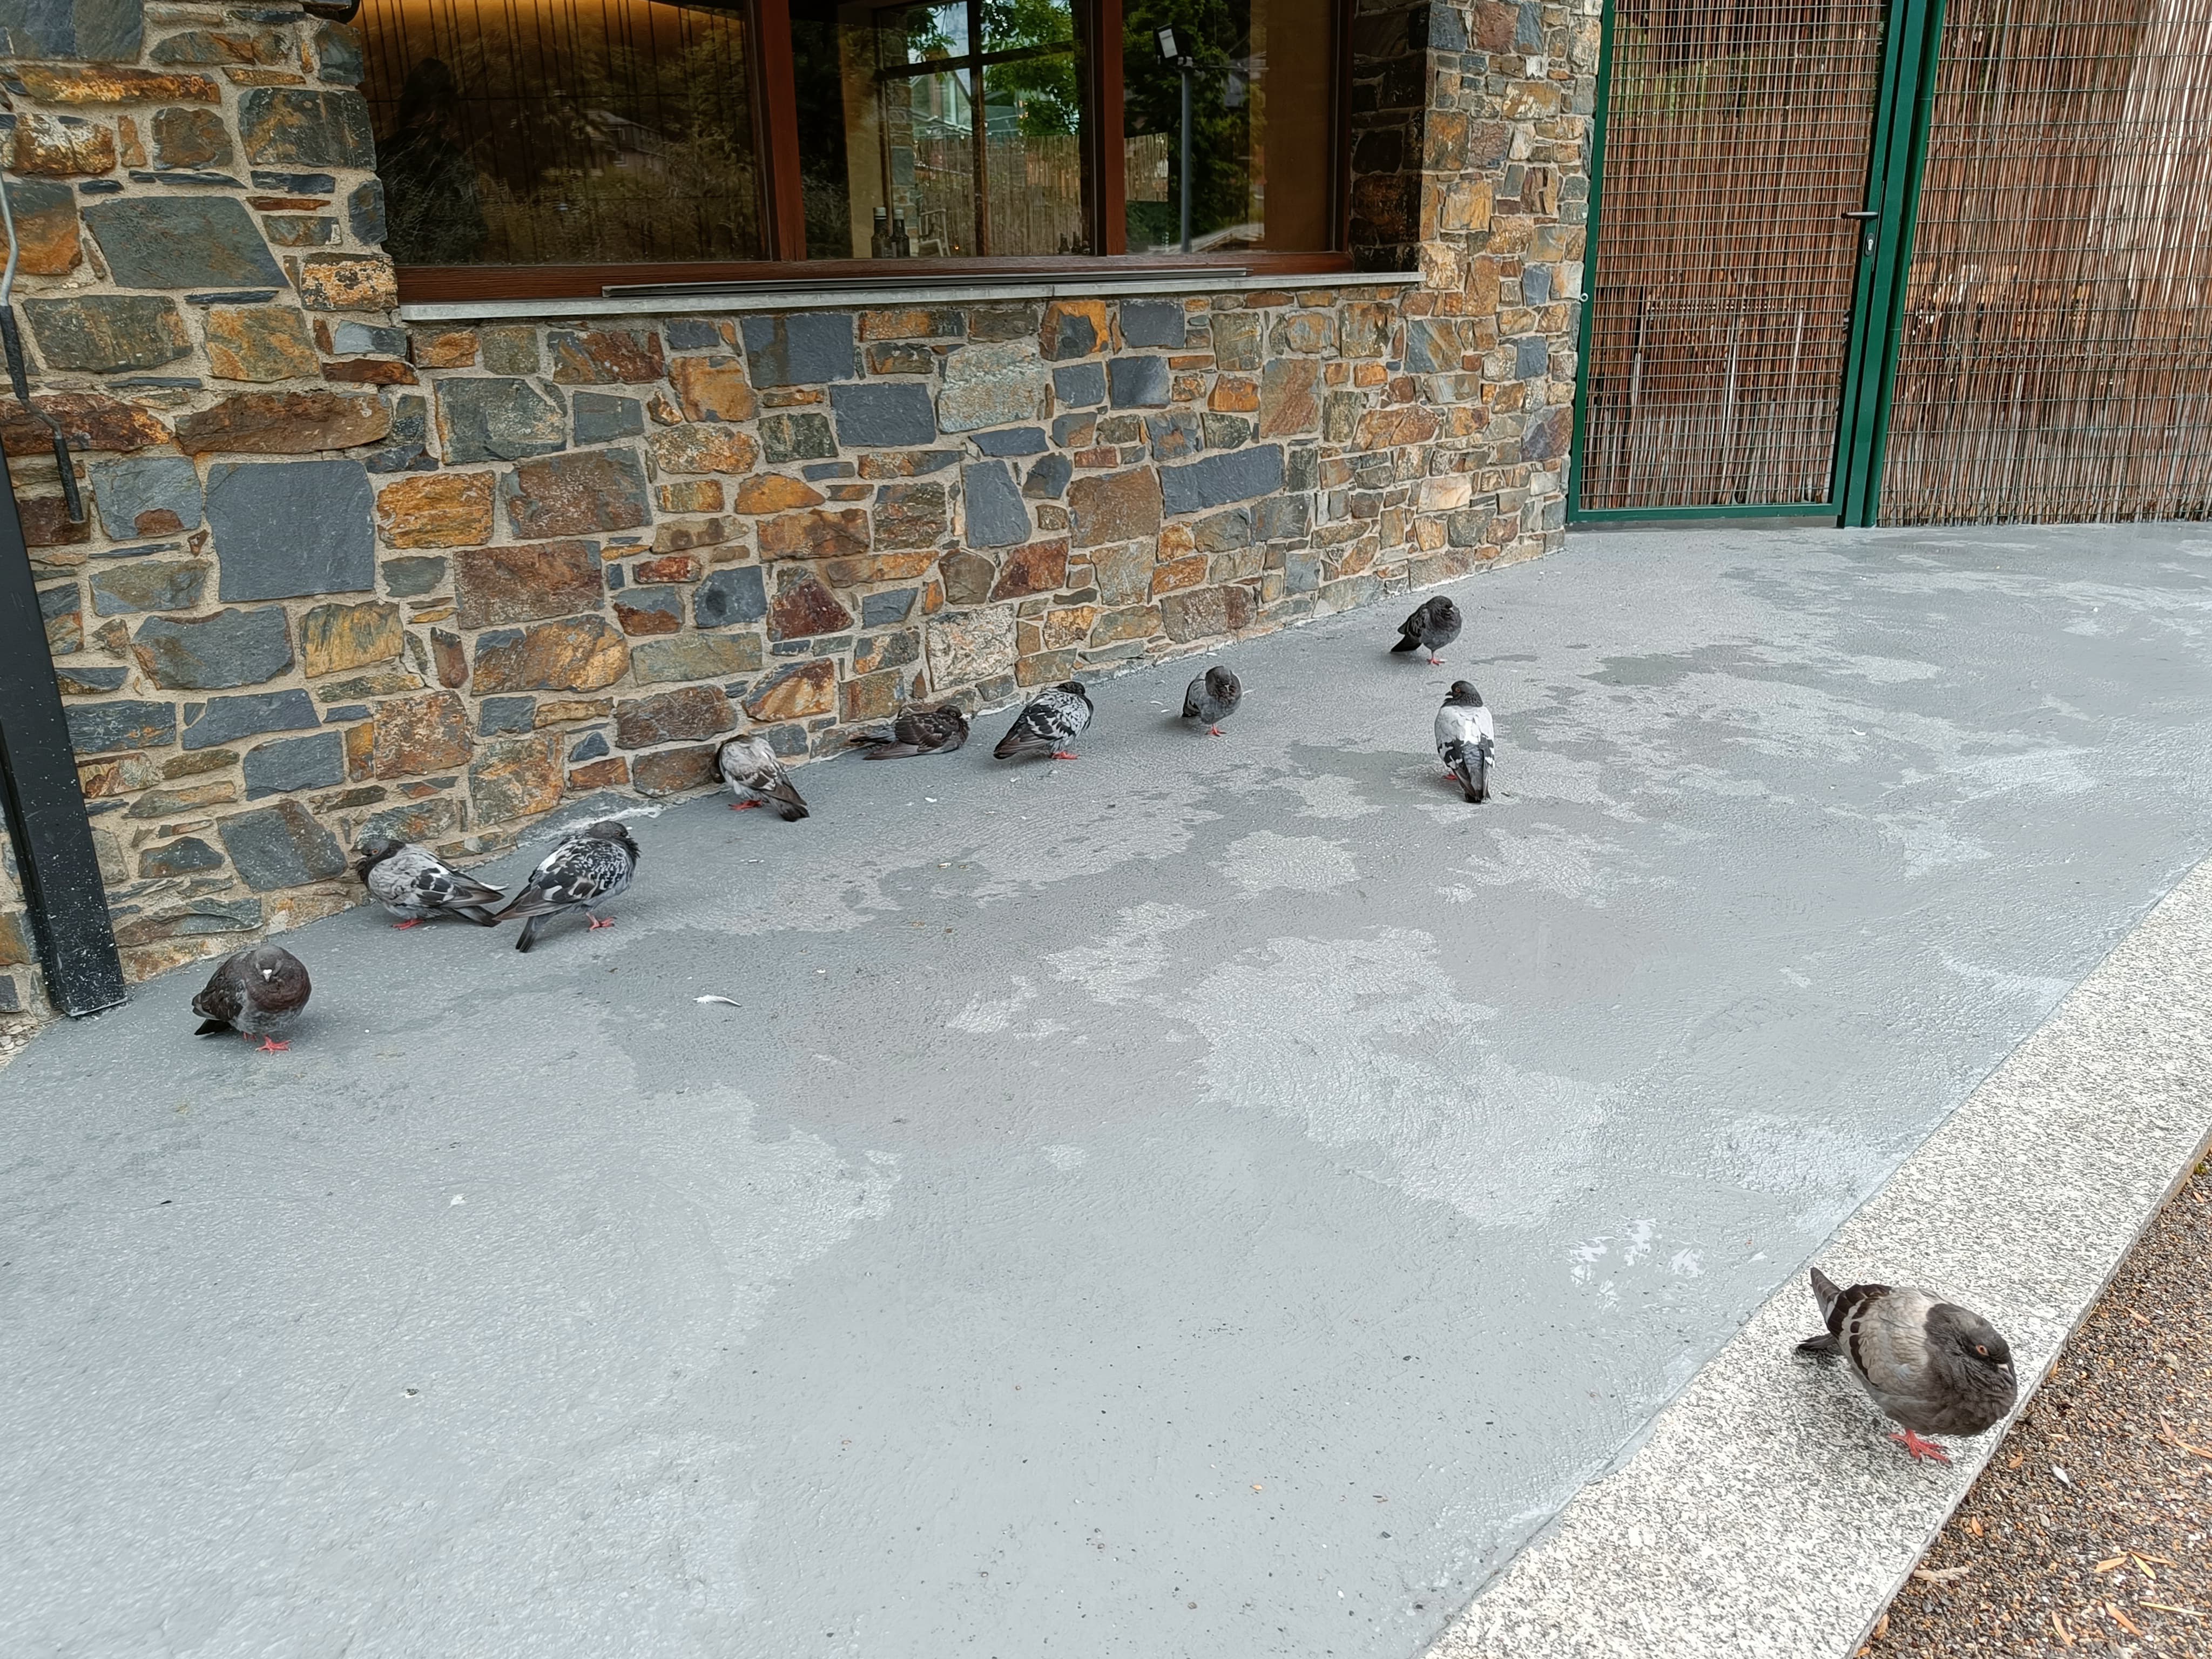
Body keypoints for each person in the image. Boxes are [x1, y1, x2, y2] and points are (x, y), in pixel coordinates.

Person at [377, 58, 488, 264]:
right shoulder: (453, 161)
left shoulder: (383, 156)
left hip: (401, 269)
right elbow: (472, 226)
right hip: (447, 270)